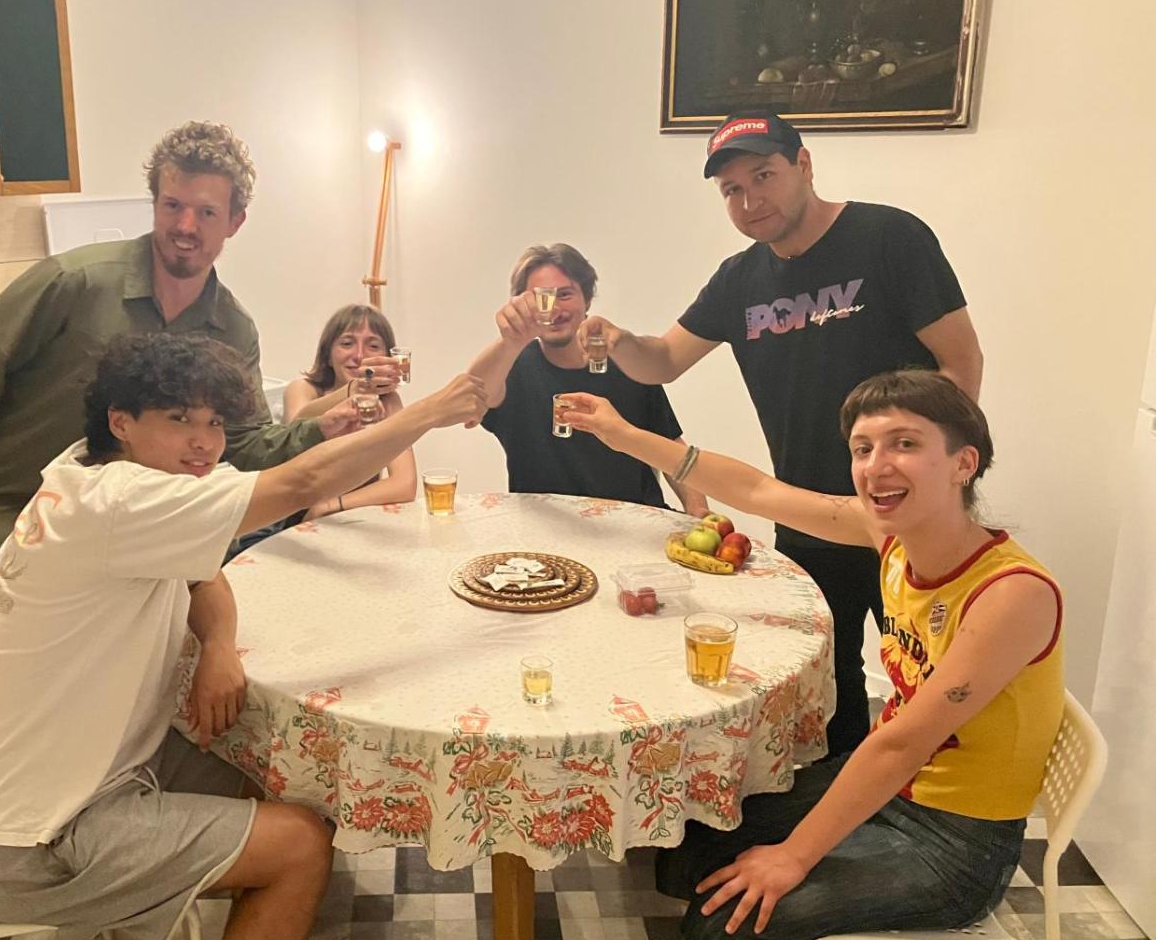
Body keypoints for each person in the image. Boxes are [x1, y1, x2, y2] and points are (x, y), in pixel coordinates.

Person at [0, 332, 486, 940]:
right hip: (28, 843)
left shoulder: (95, 475)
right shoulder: (120, 502)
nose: (203, 442)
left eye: (215, 423)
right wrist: (430, 410)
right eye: (179, 420)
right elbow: (305, 480)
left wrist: (219, 649)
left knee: (270, 763)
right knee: (300, 846)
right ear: (121, 421)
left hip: (76, 780)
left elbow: (206, 578)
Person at [560, 369, 1061, 940]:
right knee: (690, 847)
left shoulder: (1010, 593)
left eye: (905, 444)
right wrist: (626, 436)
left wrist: (794, 858)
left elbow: (902, 743)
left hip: (957, 842)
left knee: (724, 928)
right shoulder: (893, 539)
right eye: (863, 448)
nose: (876, 466)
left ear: (964, 463)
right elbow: (758, 490)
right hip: (894, 794)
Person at [579, 112, 984, 755]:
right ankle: (843, 799)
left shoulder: (889, 237)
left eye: (763, 176)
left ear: (804, 165)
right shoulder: (739, 280)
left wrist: (944, 484)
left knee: (933, 679)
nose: (749, 201)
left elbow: (960, 363)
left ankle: (925, 806)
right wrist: (622, 339)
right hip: (805, 509)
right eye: (732, 190)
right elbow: (663, 362)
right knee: (829, 677)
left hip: (907, 512)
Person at [0, 120, 355, 610]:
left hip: (133, 550)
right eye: (173, 206)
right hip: (12, 531)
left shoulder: (232, 330)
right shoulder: (75, 281)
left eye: (206, 212)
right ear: (154, 204)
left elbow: (242, 442)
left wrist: (319, 429)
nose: (185, 227)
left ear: (234, 222)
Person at [467, 243, 707, 513]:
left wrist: (697, 510)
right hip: (545, 529)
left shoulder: (628, 361)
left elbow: (670, 444)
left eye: (564, 294)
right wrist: (511, 340)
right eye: (540, 297)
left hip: (632, 522)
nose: (553, 308)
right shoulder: (512, 366)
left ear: (587, 299)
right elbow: (473, 394)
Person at [282, 304, 415, 518]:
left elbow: (404, 484)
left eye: (373, 346)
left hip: (350, 513)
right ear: (328, 355)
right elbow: (294, 431)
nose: (359, 355)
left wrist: (331, 505)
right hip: (292, 512)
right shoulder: (303, 389)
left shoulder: (389, 402)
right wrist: (353, 389)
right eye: (347, 343)